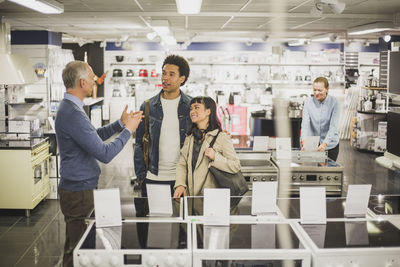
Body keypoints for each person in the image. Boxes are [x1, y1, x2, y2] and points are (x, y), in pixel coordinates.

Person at [55, 60, 143, 267]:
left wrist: (120, 124)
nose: (95, 80)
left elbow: (92, 137)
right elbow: (104, 153)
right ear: (83, 82)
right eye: (93, 77)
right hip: (78, 190)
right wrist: (128, 131)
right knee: (79, 249)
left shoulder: (71, 108)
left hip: (78, 187)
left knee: (75, 245)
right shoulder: (73, 113)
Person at [134, 54, 192, 197]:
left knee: (182, 219)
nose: (165, 78)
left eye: (171, 74)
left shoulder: (191, 106)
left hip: (182, 180)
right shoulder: (148, 106)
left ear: (182, 79)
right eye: (164, 73)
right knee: (153, 219)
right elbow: (139, 143)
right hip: (153, 177)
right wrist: (142, 176)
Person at [173, 96, 241, 198]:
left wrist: (215, 157)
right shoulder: (190, 137)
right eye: (191, 109)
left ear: (208, 111)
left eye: (197, 107)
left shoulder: (221, 137)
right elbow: (182, 163)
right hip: (192, 197)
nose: (192, 111)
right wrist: (180, 184)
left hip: (213, 198)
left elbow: (235, 165)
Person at [301, 76, 340, 161]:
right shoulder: (308, 103)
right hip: (312, 144)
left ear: (327, 89)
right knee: (312, 172)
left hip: (330, 145)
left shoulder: (334, 103)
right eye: (314, 90)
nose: (316, 93)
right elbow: (305, 125)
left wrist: (325, 144)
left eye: (320, 90)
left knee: (328, 172)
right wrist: (304, 141)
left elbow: (333, 126)